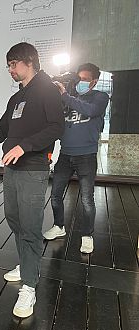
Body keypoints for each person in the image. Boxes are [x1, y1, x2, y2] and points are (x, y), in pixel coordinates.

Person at [0, 42, 64, 318]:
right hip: (11, 169)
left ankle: (29, 286)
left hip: (33, 168)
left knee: (31, 227)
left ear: (28, 62)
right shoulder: (17, 98)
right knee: (14, 219)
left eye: (13, 64)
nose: (9, 69)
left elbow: (57, 127)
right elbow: (3, 129)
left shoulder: (47, 90)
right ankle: (27, 263)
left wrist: (26, 146)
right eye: (8, 64)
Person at [43, 63, 109, 254]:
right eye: (78, 79)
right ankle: (59, 226)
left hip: (86, 156)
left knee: (87, 199)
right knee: (55, 194)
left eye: (84, 79)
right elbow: (55, 124)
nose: (80, 83)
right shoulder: (69, 98)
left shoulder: (100, 97)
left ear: (94, 81)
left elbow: (90, 111)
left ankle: (87, 236)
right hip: (65, 154)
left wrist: (66, 96)